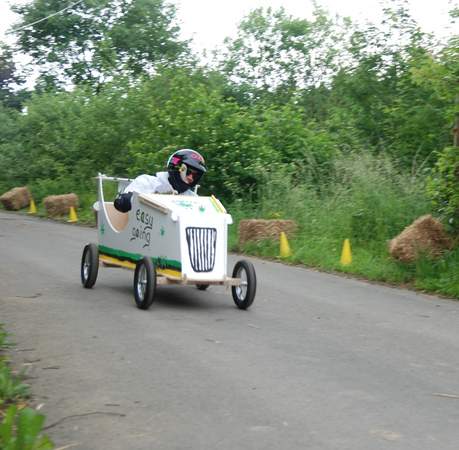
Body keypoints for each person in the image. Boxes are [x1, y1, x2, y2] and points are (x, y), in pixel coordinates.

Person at [113, 149, 207, 213]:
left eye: (195, 176)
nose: (191, 178)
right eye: (188, 172)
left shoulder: (193, 198)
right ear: (177, 168)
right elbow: (122, 202)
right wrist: (128, 200)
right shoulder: (146, 181)